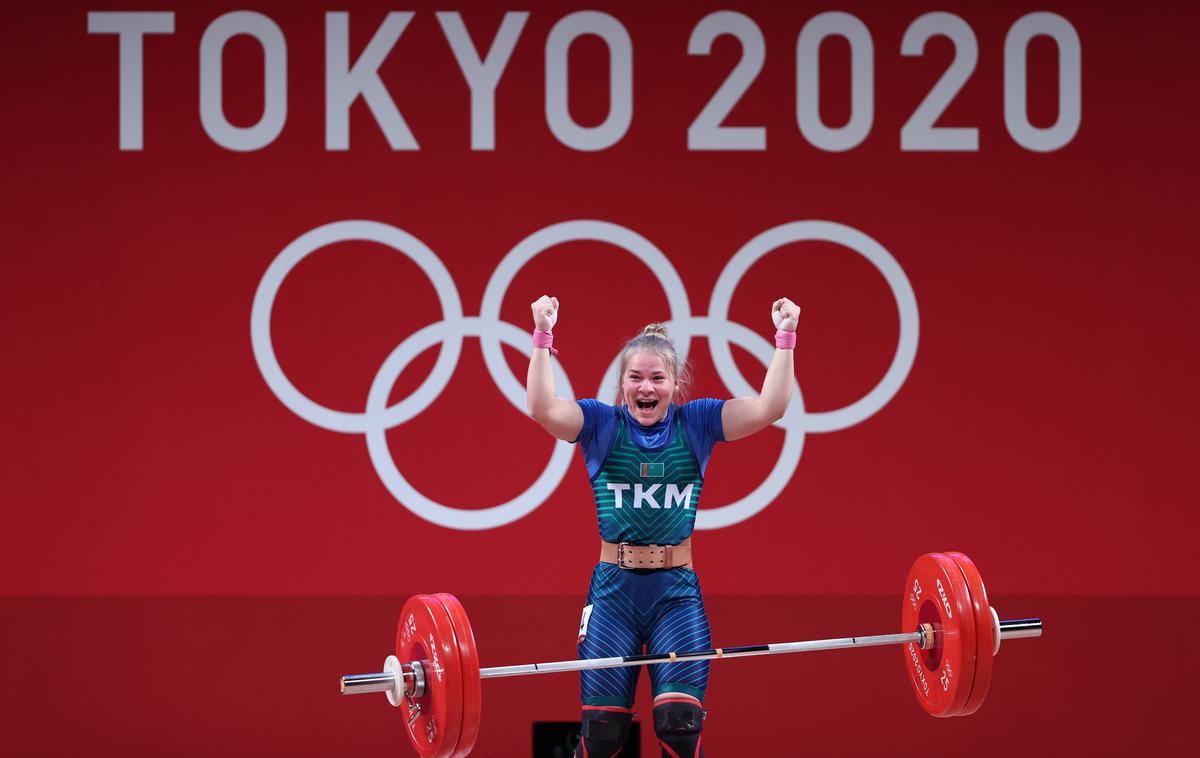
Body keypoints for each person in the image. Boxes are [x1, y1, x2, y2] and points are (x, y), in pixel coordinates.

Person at [526, 294, 800, 758]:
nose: (646, 388)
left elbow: (771, 407)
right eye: (636, 378)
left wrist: (786, 337)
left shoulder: (697, 423)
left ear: (675, 385)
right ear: (622, 386)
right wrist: (542, 335)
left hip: (676, 594)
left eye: (657, 378)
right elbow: (542, 408)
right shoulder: (600, 424)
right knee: (602, 735)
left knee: (679, 724)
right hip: (612, 595)